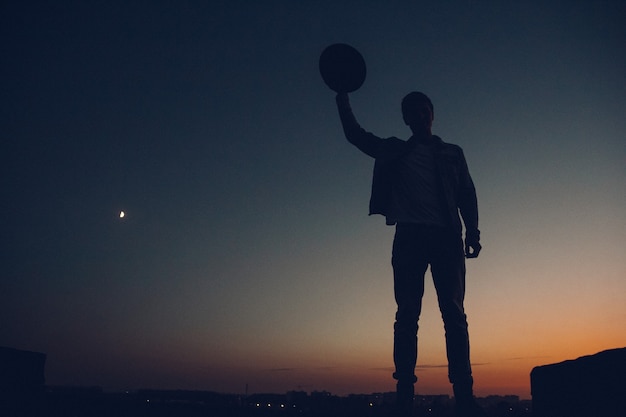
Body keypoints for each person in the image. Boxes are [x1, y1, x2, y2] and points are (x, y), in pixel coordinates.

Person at [335, 91, 486, 417]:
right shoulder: (395, 149)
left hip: (446, 238)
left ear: (431, 114)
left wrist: (472, 231)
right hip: (409, 238)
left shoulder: (452, 153)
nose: (419, 116)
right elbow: (355, 135)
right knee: (406, 318)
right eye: (412, 112)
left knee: (455, 317)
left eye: (423, 110)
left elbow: (466, 193)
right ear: (406, 119)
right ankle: (404, 397)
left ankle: (464, 397)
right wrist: (342, 97)